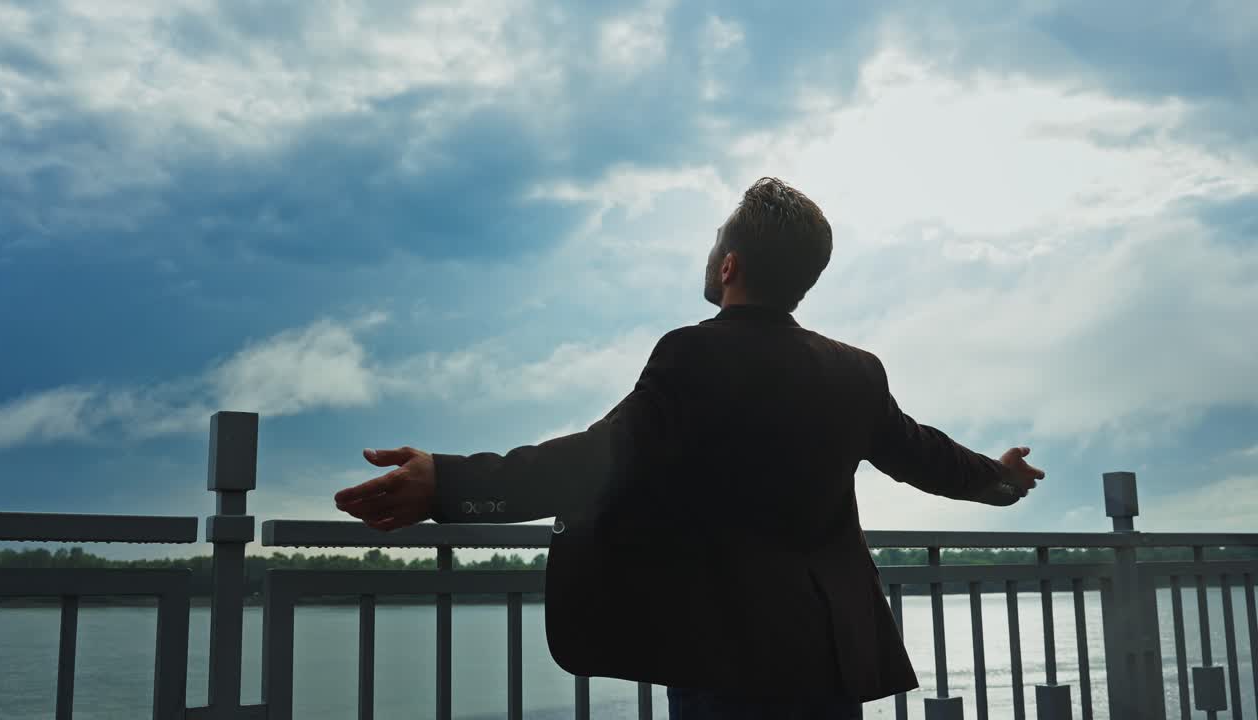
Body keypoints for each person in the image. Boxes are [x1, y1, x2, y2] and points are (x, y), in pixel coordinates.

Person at [334, 177, 1045, 719]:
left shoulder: (693, 356)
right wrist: (1003, 482)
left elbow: (592, 463)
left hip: (729, 662)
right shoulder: (855, 372)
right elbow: (927, 457)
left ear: (730, 266)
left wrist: (447, 485)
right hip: (830, 656)